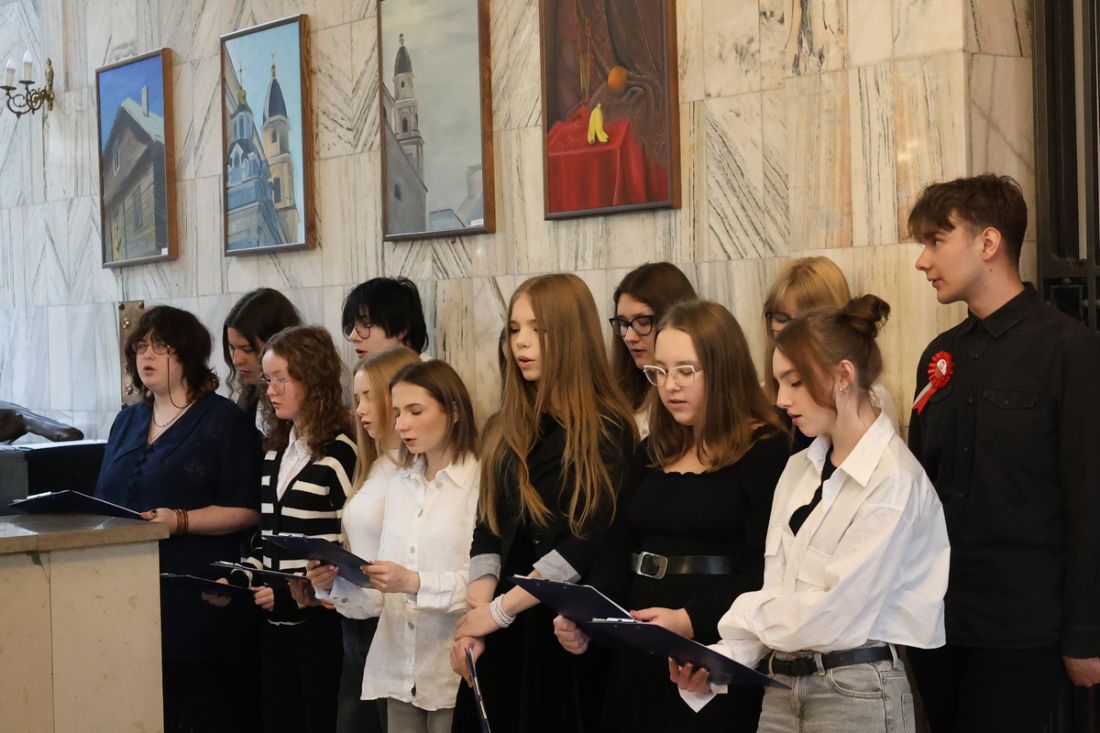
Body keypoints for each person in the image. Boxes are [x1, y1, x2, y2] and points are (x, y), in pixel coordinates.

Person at [672, 295, 950, 733]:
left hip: (857, 689)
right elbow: (777, 588)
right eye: (778, 382)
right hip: (781, 685)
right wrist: (721, 660)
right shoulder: (798, 468)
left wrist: (741, 618)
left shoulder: (894, 479)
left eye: (795, 382)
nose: (781, 399)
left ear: (843, 376)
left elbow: (834, 614)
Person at [905, 174, 1100, 732]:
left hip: (1025, 632)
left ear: (987, 242)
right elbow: (916, 493)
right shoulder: (939, 356)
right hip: (939, 625)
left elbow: (1089, 502)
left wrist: (1086, 634)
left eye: (936, 240)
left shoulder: (1070, 351)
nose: (922, 261)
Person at [554, 299, 789, 732]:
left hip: (714, 652)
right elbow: (616, 548)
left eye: (685, 371)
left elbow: (762, 570)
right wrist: (588, 618)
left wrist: (689, 620)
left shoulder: (766, 449)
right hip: (638, 648)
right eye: (659, 372)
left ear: (723, 369)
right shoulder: (653, 449)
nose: (669, 386)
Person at [449, 273, 638, 732]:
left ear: (572, 335)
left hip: (561, 630)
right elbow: (487, 528)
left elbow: (584, 542)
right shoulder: (502, 426)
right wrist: (475, 617)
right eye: (515, 329)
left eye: (539, 329)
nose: (522, 342)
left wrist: (499, 611)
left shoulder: (609, 428)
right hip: (501, 627)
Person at [95, 305, 261, 733]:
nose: (147, 356)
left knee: (203, 709)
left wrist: (181, 521)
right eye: (140, 347)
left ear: (187, 354)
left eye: (161, 347)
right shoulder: (127, 419)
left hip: (197, 595)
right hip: (126, 592)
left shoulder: (223, 420)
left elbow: (248, 508)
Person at [228, 325, 357, 733]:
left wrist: (290, 592)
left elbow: (347, 546)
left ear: (312, 379)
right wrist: (241, 576)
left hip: (322, 628)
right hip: (275, 629)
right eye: (268, 380)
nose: (271, 390)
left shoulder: (340, 454)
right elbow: (267, 539)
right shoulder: (275, 452)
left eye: (281, 379)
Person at [356, 360, 480, 733]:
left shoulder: (478, 481)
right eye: (397, 413)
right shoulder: (401, 483)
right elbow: (386, 585)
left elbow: (483, 585)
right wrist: (334, 582)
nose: (401, 424)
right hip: (397, 667)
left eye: (415, 411)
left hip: (450, 669)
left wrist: (414, 582)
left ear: (453, 412)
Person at [307, 345, 422, 733]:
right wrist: (328, 580)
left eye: (369, 397)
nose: (360, 410)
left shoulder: (417, 470)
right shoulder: (373, 465)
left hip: (395, 629)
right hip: (356, 628)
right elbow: (362, 551)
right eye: (356, 399)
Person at [762, 257, 896, 448]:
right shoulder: (763, 400)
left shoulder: (871, 400)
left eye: (805, 321)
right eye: (781, 319)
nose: (790, 335)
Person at [608, 262, 697, 436]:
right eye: (623, 324)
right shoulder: (619, 397)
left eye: (643, 323)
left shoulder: (693, 403)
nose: (629, 337)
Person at [222, 288, 302, 429]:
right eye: (232, 348)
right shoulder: (251, 396)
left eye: (247, 349)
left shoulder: (298, 406)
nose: (236, 360)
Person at [342, 277, 429, 359]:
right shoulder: (373, 369)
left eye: (366, 324)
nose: (352, 337)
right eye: (351, 326)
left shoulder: (430, 370)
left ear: (401, 329)